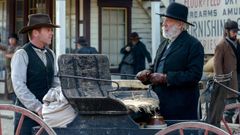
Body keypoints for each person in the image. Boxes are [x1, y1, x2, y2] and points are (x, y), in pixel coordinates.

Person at [136, 2, 204, 120]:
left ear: (180, 24)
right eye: (164, 20)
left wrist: (166, 78)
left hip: (181, 107)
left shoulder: (193, 45)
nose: (164, 24)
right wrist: (146, 73)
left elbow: (194, 75)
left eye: (168, 21)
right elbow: (156, 67)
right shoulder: (164, 44)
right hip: (160, 104)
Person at [11, 13, 60, 135]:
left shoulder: (51, 54)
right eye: (48, 30)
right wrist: (38, 107)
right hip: (26, 116)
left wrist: (55, 103)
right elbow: (19, 86)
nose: (51, 33)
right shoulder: (22, 54)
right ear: (35, 32)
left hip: (47, 114)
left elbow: (55, 82)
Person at [210, 19, 240, 126]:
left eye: (237, 31)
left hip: (239, 77)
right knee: (229, 109)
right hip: (229, 82)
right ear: (227, 31)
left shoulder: (238, 43)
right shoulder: (221, 45)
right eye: (233, 31)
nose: (235, 33)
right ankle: (227, 128)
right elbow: (217, 66)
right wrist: (222, 84)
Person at [0, 33, 20, 101]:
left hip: (16, 73)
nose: (11, 40)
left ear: (16, 40)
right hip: (9, 73)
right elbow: (1, 47)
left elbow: (15, 55)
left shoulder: (18, 47)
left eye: (12, 39)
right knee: (11, 92)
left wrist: (6, 55)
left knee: (16, 92)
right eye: (10, 39)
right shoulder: (8, 47)